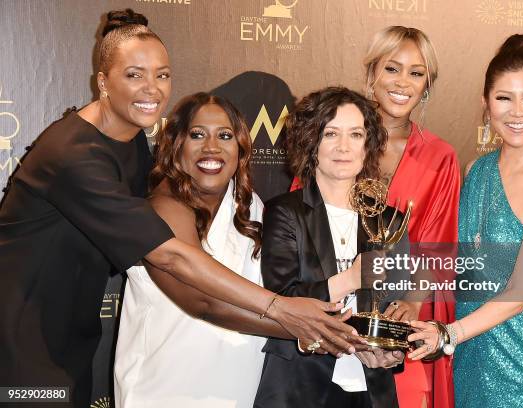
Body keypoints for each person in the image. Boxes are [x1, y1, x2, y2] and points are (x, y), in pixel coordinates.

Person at [0, 10, 359, 407]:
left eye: (163, 75)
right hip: (19, 338)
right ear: (102, 82)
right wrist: (283, 312)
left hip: (68, 334)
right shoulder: (72, 154)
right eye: (134, 75)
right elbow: (172, 257)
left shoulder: (134, 141)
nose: (152, 89)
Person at [254, 87, 442, 408]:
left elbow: (392, 309)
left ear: (368, 144)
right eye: (331, 134)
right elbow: (279, 302)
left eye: (355, 134)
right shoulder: (285, 212)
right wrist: (349, 279)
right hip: (299, 386)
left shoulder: (389, 220)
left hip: (370, 390)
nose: (344, 147)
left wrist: (391, 352)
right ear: (311, 142)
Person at [114, 93, 268, 407]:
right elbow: (205, 301)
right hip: (161, 392)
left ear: (240, 149)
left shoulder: (250, 208)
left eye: (225, 136)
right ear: (176, 146)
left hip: (236, 391)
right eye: (197, 135)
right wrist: (302, 326)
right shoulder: (158, 209)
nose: (211, 147)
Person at [450, 34, 523, 407]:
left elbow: (519, 294)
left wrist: (448, 334)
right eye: (504, 97)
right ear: (486, 104)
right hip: (471, 355)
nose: (518, 112)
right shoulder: (475, 170)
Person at [361, 26, 462, 408]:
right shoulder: (338, 139)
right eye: (392, 68)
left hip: (402, 319)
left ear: (427, 85)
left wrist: (415, 302)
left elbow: (439, 243)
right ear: (372, 73)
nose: (403, 82)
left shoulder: (440, 157)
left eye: (416, 73)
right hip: (336, 312)